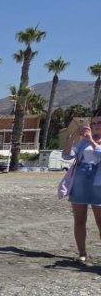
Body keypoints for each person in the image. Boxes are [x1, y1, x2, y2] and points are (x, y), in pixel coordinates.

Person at [61, 112, 101, 264]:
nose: (96, 126)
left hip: (98, 182)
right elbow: (66, 155)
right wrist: (73, 136)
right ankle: (82, 252)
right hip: (81, 180)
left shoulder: (89, 140)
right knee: (79, 219)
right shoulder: (82, 142)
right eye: (94, 123)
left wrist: (91, 140)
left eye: (99, 123)